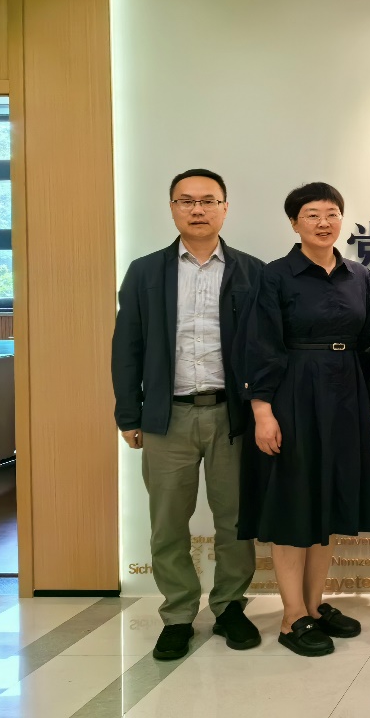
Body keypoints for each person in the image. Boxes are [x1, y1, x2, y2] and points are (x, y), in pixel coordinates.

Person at [112, 168, 265, 660]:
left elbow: (266, 349)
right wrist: (128, 414)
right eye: (186, 200)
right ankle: (178, 614)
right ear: (173, 208)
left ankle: (230, 606)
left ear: (225, 208)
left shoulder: (252, 272)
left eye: (208, 200)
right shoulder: (145, 272)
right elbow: (127, 347)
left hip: (231, 415)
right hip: (166, 416)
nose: (197, 209)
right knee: (167, 522)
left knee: (236, 520)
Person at [234, 182, 370, 657]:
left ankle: (315, 607)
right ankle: (291, 615)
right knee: (293, 503)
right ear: (294, 223)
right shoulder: (275, 276)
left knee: (330, 502)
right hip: (293, 395)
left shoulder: (359, 275)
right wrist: (262, 411)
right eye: (312, 214)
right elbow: (259, 344)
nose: (324, 222)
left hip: (345, 396)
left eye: (332, 213)